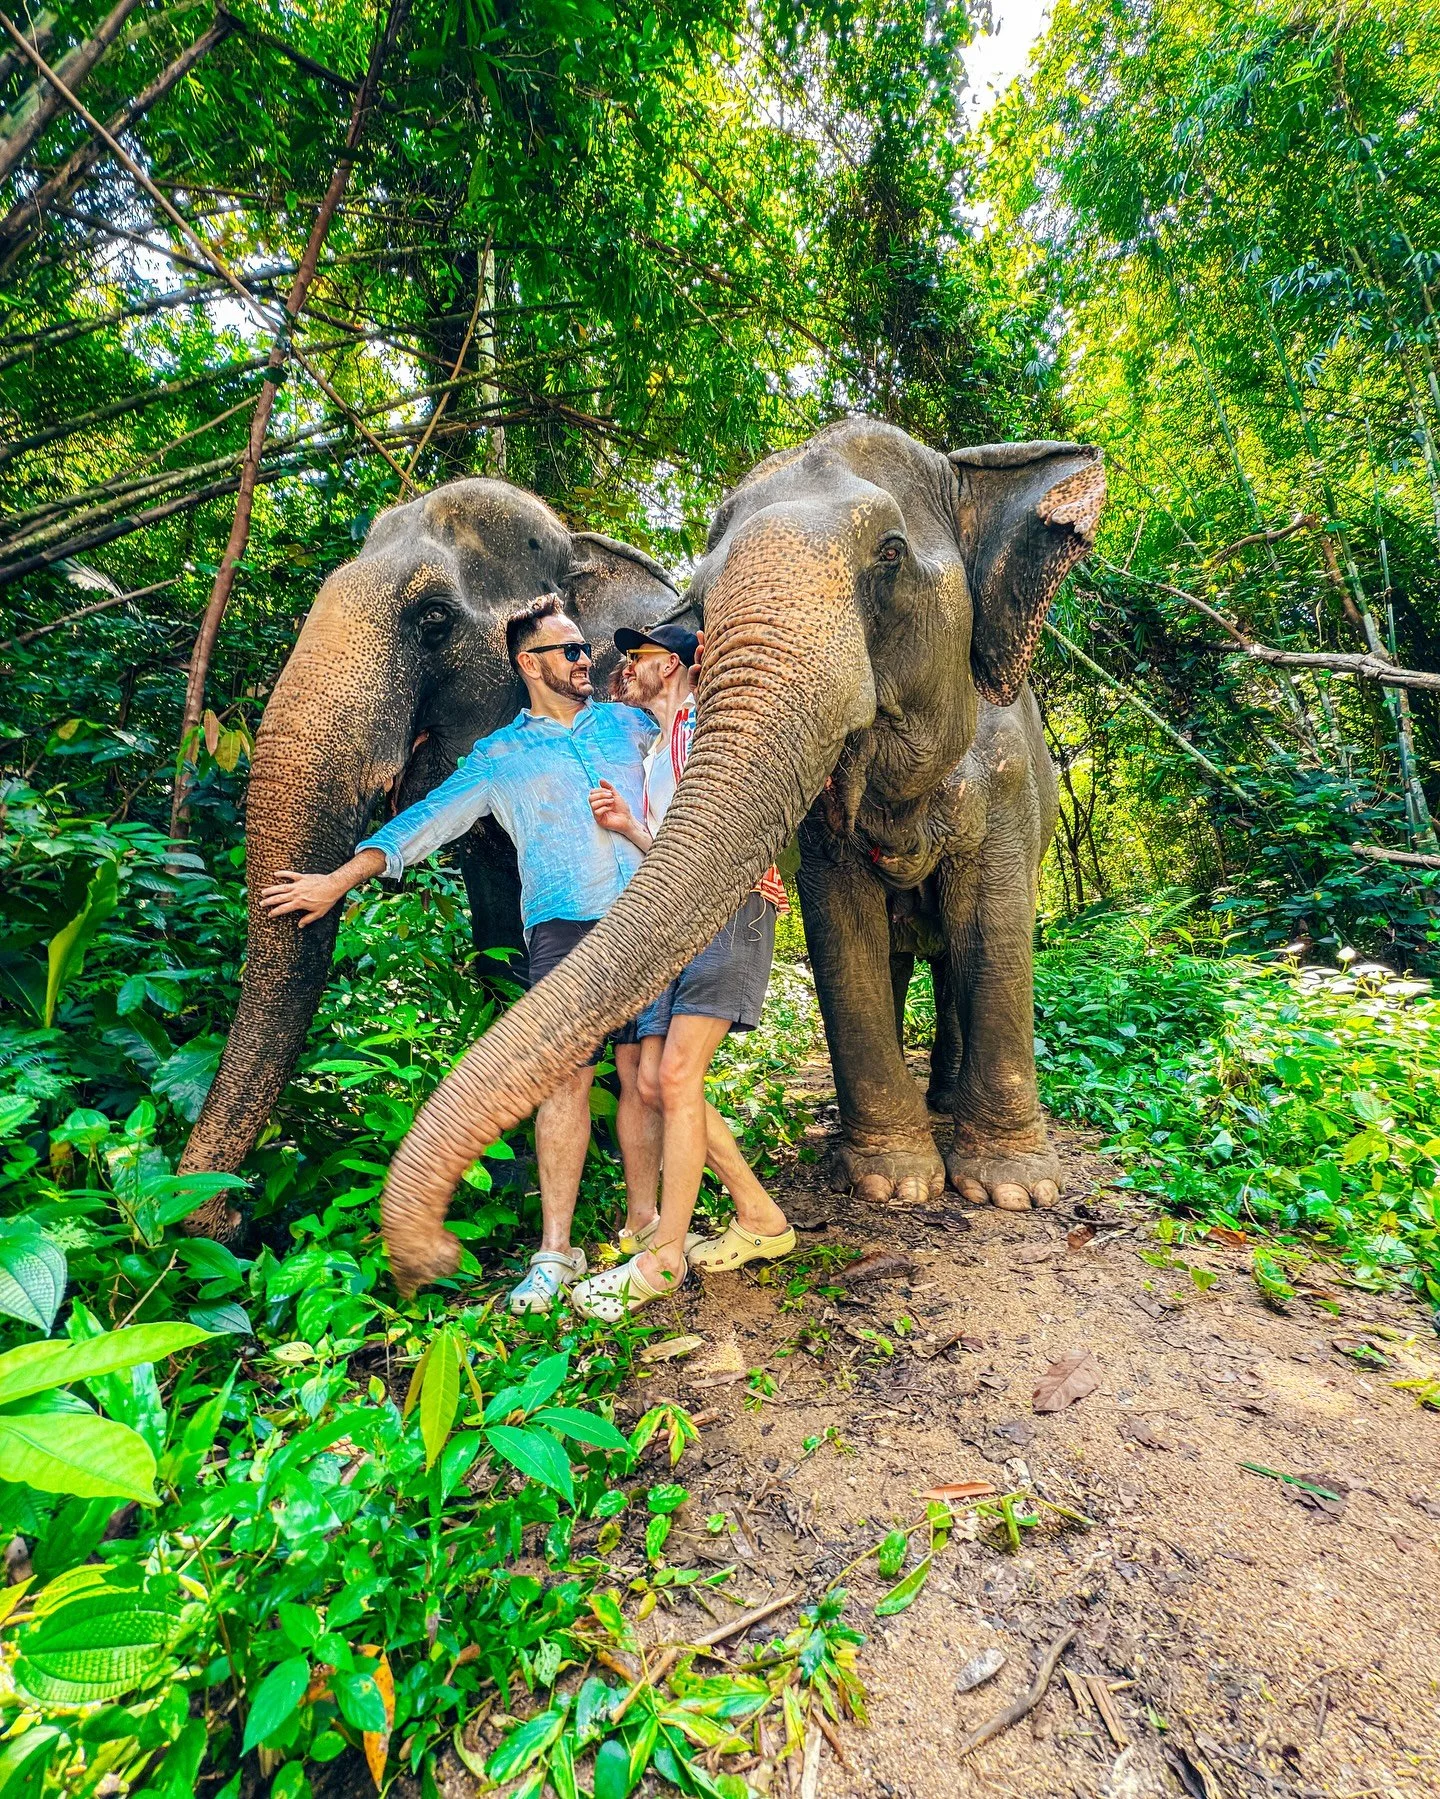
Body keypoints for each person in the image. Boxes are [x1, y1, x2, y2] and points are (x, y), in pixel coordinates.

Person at [258, 594, 663, 1315]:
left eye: (585, 649)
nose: (585, 660)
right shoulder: (500, 755)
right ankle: (556, 1251)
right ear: (528, 664)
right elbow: (421, 825)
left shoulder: (630, 725)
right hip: (565, 929)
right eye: (570, 651)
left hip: (647, 918)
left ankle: (644, 1229)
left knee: (644, 1076)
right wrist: (335, 881)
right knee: (564, 1080)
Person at [570, 623, 794, 1320]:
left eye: (634, 659)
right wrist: (629, 825)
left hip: (730, 905)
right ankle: (758, 1217)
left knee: (674, 1076)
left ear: (668, 664)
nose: (624, 670)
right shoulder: (659, 749)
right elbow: (674, 842)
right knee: (649, 1080)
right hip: (680, 915)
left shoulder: (705, 724)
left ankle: (663, 1257)